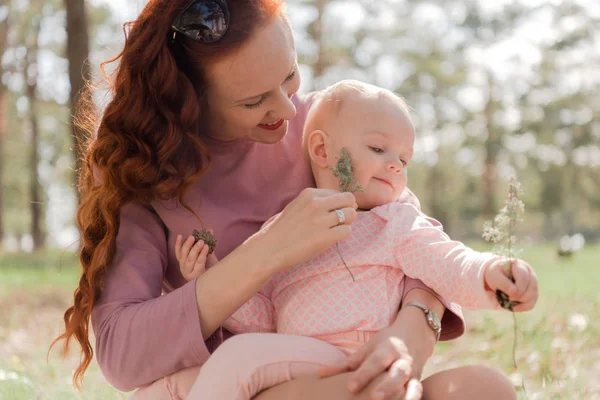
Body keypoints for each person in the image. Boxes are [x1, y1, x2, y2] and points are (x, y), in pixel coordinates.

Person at [51, 1, 531, 399]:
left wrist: (411, 333)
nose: (287, 109)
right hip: (244, 385)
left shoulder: (327, 127)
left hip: (359, 366)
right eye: (254, 100)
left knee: (485, 389)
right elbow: (121, 354)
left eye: (291, 76)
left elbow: (410, 237)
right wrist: (265, 254)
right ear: (187, 104)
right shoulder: (145, 174)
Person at [174, 80, 538, 400]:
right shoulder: (285, 227)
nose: (396, 165)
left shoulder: (393, 222)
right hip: (301, 364)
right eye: (379, 150)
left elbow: (446, 261)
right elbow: (265, 318)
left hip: (362, 356)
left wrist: (489, 270)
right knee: (236, 356)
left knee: (488, 387)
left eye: (404, 159)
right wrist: (210, 275)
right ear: (322, 151)